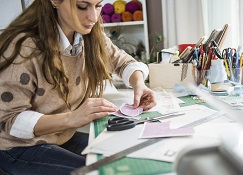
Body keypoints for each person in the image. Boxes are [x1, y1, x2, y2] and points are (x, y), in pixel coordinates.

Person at [0, 0, 156, 174]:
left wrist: (139, 84)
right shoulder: (25, 47)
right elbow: (9, 120)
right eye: (82, 6)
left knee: (132, 156)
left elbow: (122, 61)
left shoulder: (88, 35)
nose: (94, 17)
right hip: (15, 147)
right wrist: (72, 118)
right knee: (106, 171)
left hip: (59, 136)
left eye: (98, 6)